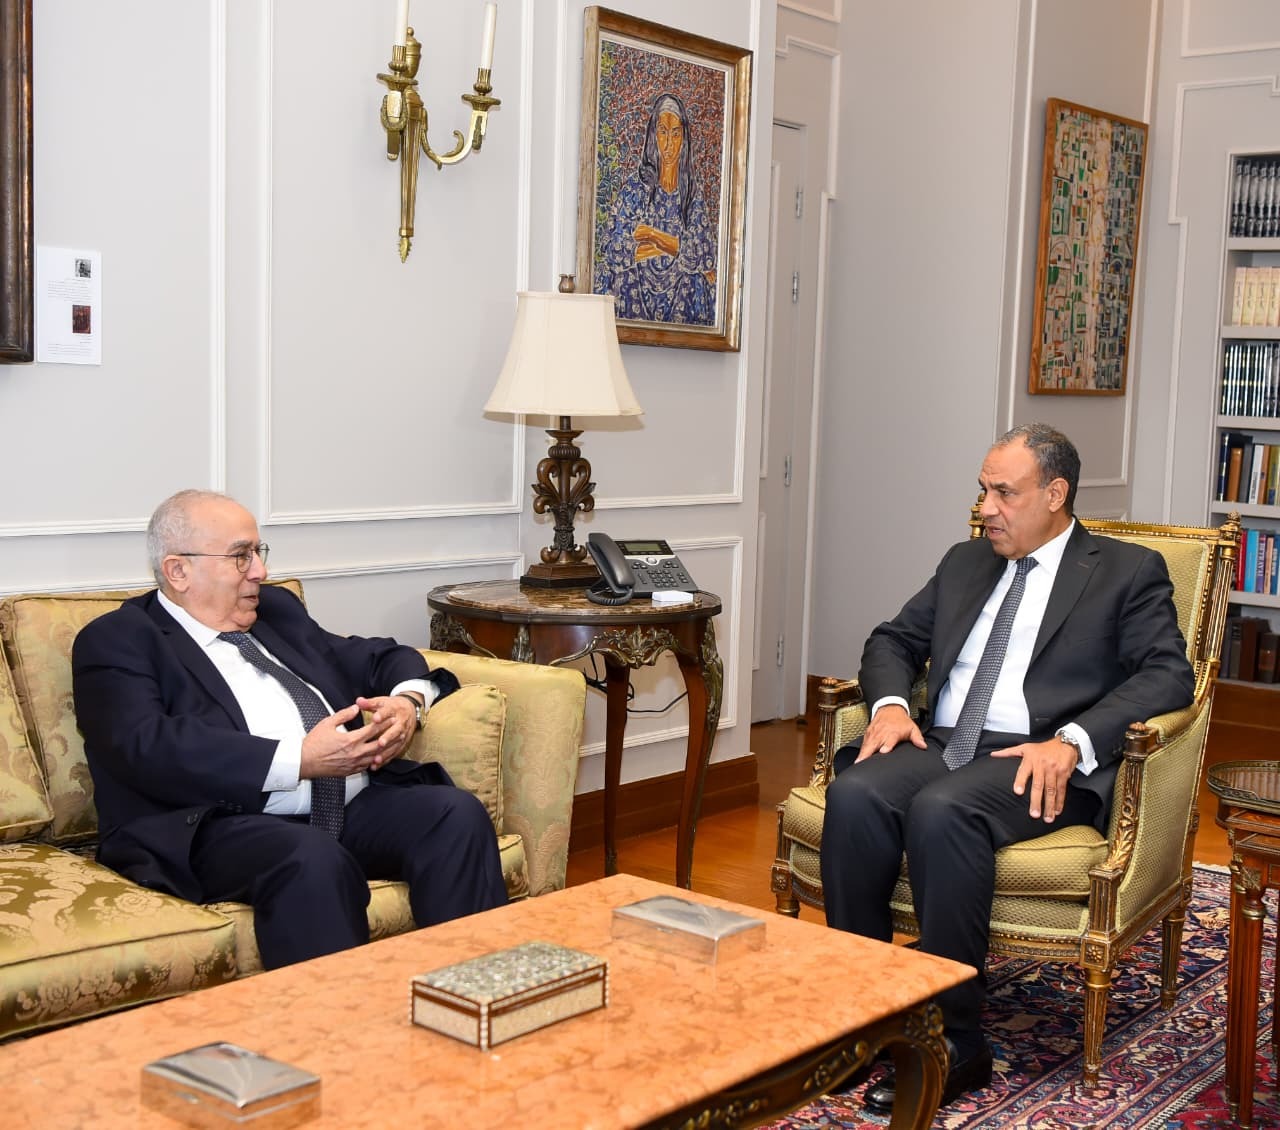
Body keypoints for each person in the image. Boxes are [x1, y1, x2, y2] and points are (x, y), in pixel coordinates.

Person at [819, 424, 1195, 1114]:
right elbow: (893, 640)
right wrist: (893, 706)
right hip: (945, 741)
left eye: (1003, 493)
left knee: (944, 810)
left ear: (1055, 494)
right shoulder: (965, 561)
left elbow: (1169, 674)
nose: (985, 508)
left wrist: (1074, 740)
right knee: (857, 794)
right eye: (982, 490)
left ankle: (954, 1040)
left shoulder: (1125, 571)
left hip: (1037, 756)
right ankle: (862, 1017)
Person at [72, 489, 507, 970]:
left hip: (341, 803)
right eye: (241, 556)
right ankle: (335, 1019)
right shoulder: (119, 639)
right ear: (178, 571)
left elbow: (378, 657)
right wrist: (300, 759)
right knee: (311, 857)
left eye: (258, 552)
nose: (259, 571)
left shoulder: (274, 612)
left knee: (453, 814)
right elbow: (145, 746)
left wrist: (408, 702)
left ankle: (476, 990)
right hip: (215, 824)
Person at [598, 92, 717, 326]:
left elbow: (705, 255)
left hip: (682, 299)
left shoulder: (691, 196)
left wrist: (651, 235)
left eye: (676, 134)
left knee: (697, 282)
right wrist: (675, 249)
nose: (669, 144)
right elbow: (612, 249)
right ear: (653, 135)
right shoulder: (636, 189)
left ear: (684, 138)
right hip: (635, 294)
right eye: (663, 132)